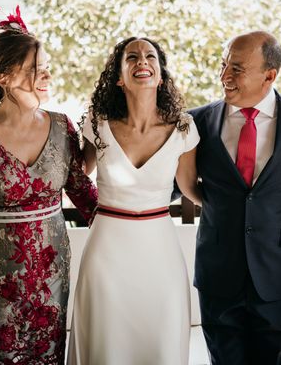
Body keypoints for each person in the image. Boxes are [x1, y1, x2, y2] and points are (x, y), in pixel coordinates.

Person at [0, 7, 97, 365]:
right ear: (5, 77)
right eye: (35, 69)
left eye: (46, 67)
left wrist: (129, 232)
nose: (46, 75)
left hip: (52, 272)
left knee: (50, 356)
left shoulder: (62, 126)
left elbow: (85, 195)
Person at [68, 37, 202, 365]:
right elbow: (76, 173)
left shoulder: (184, 126)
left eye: (150, 56)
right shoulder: (97, 123)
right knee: (106, 342)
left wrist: (235, 209)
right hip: (107, 252)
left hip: (160, 252)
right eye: (132, 57)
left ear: (160, 74)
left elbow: (189, 188)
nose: (142, 61)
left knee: (161, 340)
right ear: (118, 76)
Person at [190, 31, 281, 365]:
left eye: (237, 68)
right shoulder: (196, 122)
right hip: (219, 273)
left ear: (270, 75)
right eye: (223, 65)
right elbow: (174, 184)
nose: (224, 76)